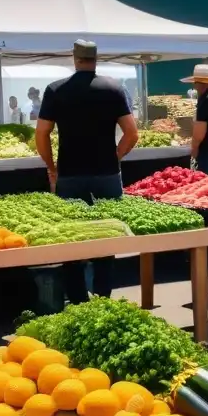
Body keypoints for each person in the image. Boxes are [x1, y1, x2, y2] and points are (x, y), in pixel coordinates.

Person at [35, 40, 139, 302]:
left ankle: (78, 298)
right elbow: (131, 133)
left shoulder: (56, 90)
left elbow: (42, 134)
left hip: (70, 173)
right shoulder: (114, 88)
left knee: (72, 236)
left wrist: (51, 166)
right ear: (96, 58)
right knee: (108, 234)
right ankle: (103, 296)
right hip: (107, 174)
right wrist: (115, 156)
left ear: (75, 58)